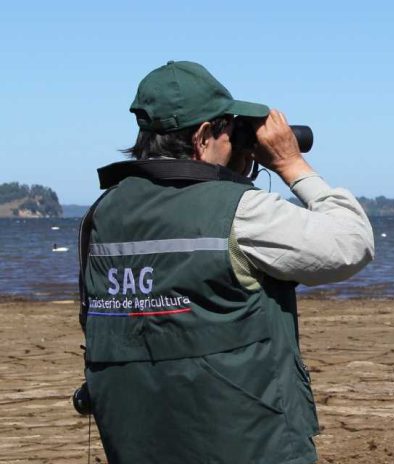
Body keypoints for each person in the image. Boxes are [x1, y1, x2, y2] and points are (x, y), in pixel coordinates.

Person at [79, 60, 374, 464]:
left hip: (137, 443)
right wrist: (292, 165)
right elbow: (351, 243)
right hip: (246, 443)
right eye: (230, 131)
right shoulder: (239, 211)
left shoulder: (101, 215)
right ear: (203, 136)